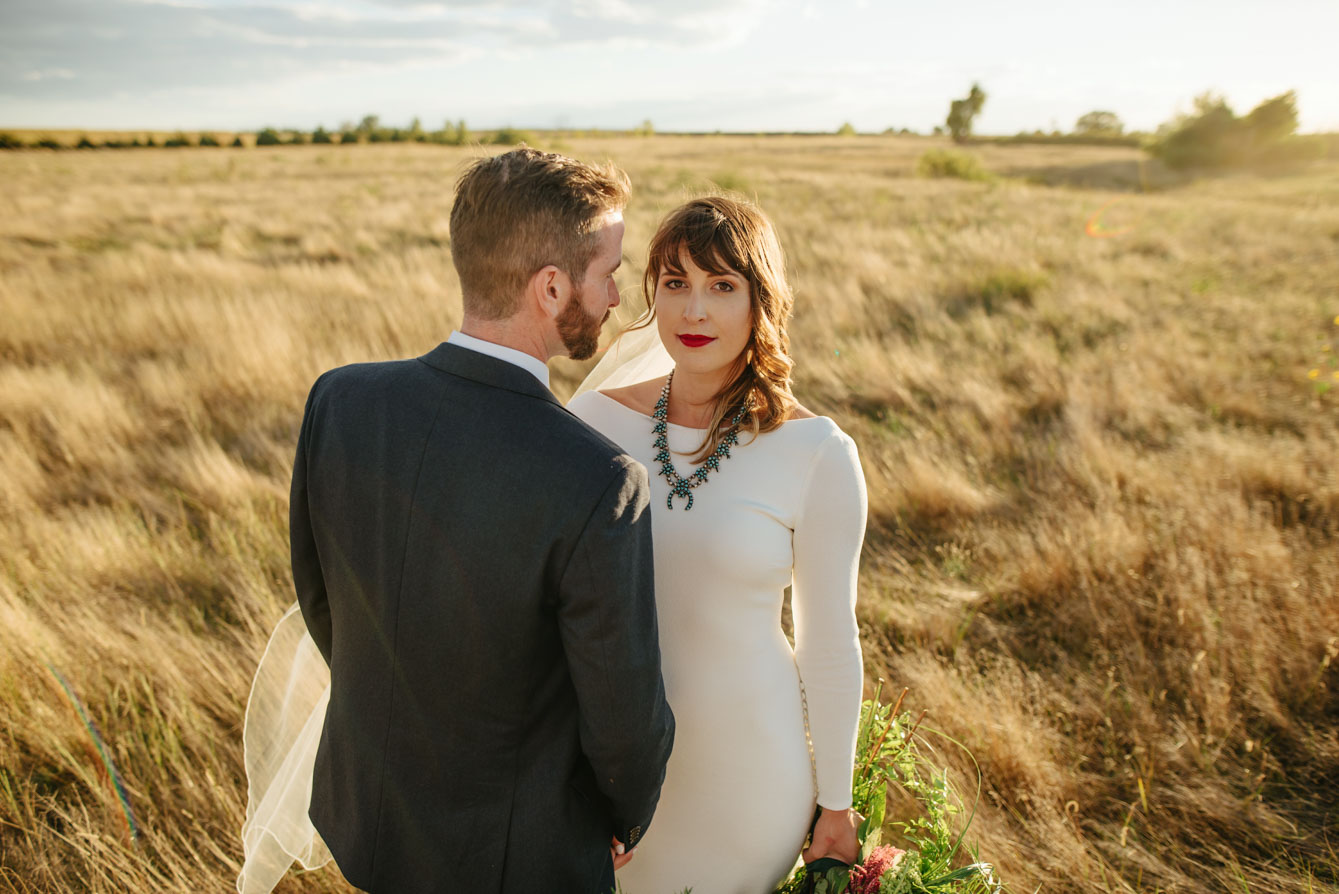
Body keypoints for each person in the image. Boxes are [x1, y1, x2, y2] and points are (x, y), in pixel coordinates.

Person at [237, 147, 675, 894]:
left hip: (369, 820)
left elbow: (322, 601)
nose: (612, 299)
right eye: (607, 273)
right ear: (549, 287)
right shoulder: (599, 481)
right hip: (516, 860)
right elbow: (623, 720)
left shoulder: (340, 402)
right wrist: (622, 818)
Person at [566, 195, 868, 893]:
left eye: (721, 287)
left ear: (761, 301)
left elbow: (827, 640)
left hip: (750, 773)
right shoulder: (590, 422)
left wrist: (837, 799)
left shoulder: (816, 452)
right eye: (675, 284)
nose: (693, 312)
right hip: (610, 769)